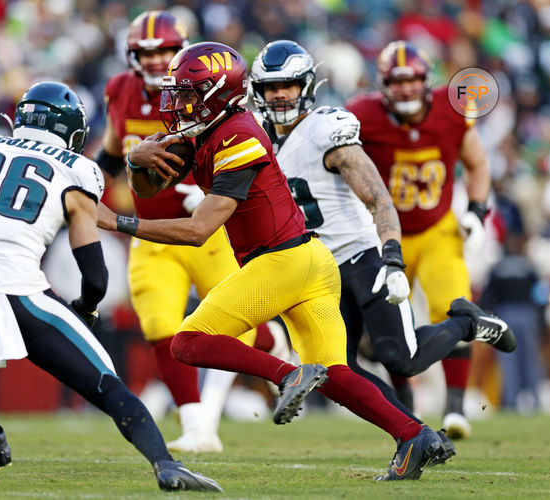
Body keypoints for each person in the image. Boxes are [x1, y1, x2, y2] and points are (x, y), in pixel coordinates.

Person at [100, 41, 450, 481]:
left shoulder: (237, 135)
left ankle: (288, 374)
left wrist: (116, 222)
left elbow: (197, 230)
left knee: (187, 342)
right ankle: (416, 436)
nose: (176, 103)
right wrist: (134, 159)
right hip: (309, 261)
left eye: (188, 93)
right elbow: (149, 188)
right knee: (337, 375)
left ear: (215, 93)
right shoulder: (208, 127)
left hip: (282, 262)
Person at [0, 81, 221, 493]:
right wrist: (84, 308)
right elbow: (95, 277)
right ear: (69, 129)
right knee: (108, 385)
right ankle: (164, 463)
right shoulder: (76, 169)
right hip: (21, 296)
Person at [249, 40, 516, 450]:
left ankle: (465, 322)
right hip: (319, 268)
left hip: (363, 254)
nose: (280, 94)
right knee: (340, 370)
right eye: (271, 87)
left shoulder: (327, 127)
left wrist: (391, 257)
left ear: (306, 85)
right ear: (258, 92)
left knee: (401, 359)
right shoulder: (256, 139)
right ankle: (417, 434)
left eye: (288, 84)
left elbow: (378, 197)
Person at [95, 10, 281, 453]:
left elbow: (247, 145)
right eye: (148, 52)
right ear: (131, 56)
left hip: (207, 229)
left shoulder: (206, 91)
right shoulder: (119, 90)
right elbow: (107, 153)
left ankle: (262, 366)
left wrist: (220, 189)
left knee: (237, 322)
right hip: (152, 235)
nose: (158, 60)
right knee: (161, 325)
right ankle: (198, 426)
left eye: (165, 50)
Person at [346, 41, 494, 439]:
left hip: (437, 230)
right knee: (390, 328)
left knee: (455, 307)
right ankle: (407, 408)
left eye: (412, 80)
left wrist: (477, 212)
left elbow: (478, 164)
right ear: (383, 84)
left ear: (426, 80)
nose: (406, 88)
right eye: (397, 81)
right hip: (385, 234)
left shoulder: (452, 108)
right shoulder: (362, 115)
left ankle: (457, 410)